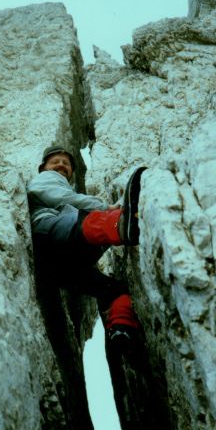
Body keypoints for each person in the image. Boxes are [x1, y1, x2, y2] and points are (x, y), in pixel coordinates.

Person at [27, 144, 145, 346]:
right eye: (55, 162)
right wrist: (106, 208)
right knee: (86, 220)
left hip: (62, 266)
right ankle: (121, 223)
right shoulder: (47, 178)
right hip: (51, 233)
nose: (61, 165)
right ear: (43, 167)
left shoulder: (60, 183)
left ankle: (121, 329)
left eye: (66, 163)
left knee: (112, 288)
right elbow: (61, 198)